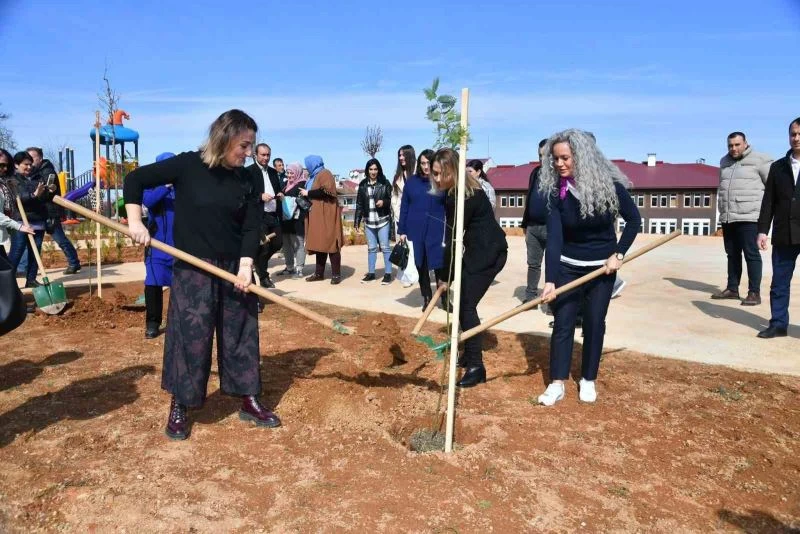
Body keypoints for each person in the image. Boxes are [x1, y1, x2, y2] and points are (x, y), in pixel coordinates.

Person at [124, 109, 281, 441]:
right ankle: (181, 403)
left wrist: (246, 265)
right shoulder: (188, 165)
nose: (248, 153)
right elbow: (134, 180)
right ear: (223, 138)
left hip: (235, 267)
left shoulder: (249, 177)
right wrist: (135, 222)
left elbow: (253, 223)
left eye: (251, 146)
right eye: (244, 145)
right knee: (189, 337)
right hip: (193, 268)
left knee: (241, 332)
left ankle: (248, 396)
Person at [537, 129, 641, 406]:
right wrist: (550, 280)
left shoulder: (609, 187)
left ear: (581, 157)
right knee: (563, 323)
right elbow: (555, 237)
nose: (559, 164)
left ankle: (587, 379)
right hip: (568, 267)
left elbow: (634, 221)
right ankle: (557, 382)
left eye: (565, 158)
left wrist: (618, 254)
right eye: (555, 159)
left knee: (595, 323)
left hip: (602, 269)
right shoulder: (555, 193)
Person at [432, 148, 508, 388]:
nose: (435, 179)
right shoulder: (458, 190)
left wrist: (445, 277)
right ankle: (469, 354)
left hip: (488, 253)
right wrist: (448, 275)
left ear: (451, 172)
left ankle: (476, 366)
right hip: (477, 251)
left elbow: (451, 238)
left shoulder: (462, 196)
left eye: (438, 174)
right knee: (463, 304)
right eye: (432, 173)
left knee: (466, 305)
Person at [713, 132, 772, 306]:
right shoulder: (724, 162)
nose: (734, 148)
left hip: (750, 216)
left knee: (751, 254)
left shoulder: (760, 160)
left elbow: (772, 187)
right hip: (729, 216)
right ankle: (732, 289)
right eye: (730, 145)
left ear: (746, 143)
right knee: (731, 254)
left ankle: (754, 292)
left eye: (737, 144)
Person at [755, 117, 800, 339]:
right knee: (779, 282)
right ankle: (778, 324)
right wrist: (763, 230)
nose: (796, 138)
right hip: (784, 233)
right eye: (793, 134)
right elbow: (768, 201)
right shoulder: (778, 167)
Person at [398, 148, 448, 310]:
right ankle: (427, 297)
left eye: (428, 163)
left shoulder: (441, 182)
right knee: (421, 265)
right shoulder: (412, 183)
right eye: (423, 163)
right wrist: (402, 231)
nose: (426, 166)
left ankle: (445, 298)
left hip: (437, 230)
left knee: (440, 265)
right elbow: (404, 207)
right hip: (416, 230)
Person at [27, 147, 81, 275]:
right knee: (35, 242)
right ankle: (28, 269)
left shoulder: (47, 172)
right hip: (40, 212)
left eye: (32, 158)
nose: (30, 161)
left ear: (40, 158)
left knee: (60, 239)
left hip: (49, 211)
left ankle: (74, 262)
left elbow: (45, 193)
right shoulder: (35, 172)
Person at [141, 152, 177, 339]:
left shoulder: (184, 187)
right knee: (153, 283)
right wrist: (165, 186)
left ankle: (177, 321)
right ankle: (152, 323)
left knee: (180, 285)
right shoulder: (150, 186)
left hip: (180, 247)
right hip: (156, 245)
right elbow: (148, 201)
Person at [7, 151, 50, 288]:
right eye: (26, 164)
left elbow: (43, 199)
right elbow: (18, 198)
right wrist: (34, 195)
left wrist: (42, 194)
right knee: (17, 251)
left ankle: (31, 279)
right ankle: (8, 282)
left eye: (31, 164)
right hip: (21, 221)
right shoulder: (12, 180)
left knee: (35, 252)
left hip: (38, 221)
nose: (29, 167)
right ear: (16, 165)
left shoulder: (37, 178)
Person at [301, 155, 344, 284]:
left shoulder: (325, 173)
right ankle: (319, 273)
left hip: (327, 215)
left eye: (308, 164)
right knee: (320, 244)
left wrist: (308, 193)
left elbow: (327, 191)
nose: (307, 167)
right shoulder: (313, 176)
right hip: (317, 215)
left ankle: (336, 275)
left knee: (331, 242)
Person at [247, 143, 283, 288]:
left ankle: (259, 263)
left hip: (273, 215)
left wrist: (280, 194)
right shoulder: (249, 172)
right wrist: (259, 196)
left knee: (278, 243)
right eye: (263, 155)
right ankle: (264, 276)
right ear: (256, 155)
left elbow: (278, 189)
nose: (266, 158)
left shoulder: (274, 173)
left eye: (268, 155)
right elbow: (245, 194)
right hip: (258, 215)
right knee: (264, 247)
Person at [354, 158, 393, 285]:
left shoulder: (385, 183)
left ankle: (388, 274)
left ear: (379, 170)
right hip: (369, 221)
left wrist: (384, 202)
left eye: (375, 169)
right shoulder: (363, 185)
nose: (373, 172)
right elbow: (359, 204)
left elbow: (391, 198)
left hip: (382, 220)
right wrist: (357, 222)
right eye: (371, 169)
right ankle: (371, 274)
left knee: (385, 247)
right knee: (371, 248)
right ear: (367, 170)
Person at [521, 139, 550, 305]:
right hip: (533, 227)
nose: (542, 159)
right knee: (533, 264)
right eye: (540, 156)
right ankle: (530, 297)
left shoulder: (559, 175)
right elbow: (530, 198)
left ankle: (553, 301)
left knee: (554, 265)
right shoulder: (535, 173)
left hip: (551, 228)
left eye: (545, 155)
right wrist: (525, 224)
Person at [0, 149, 34, 261]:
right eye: (2, 165)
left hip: (2, 238)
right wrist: (19, 226)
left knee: (6, 274)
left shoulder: (3, 184)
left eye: (7, 166)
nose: (5, 169)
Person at [277, 162, 307, 278]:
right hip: (285, 220)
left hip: (296, 221)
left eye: (292, 173)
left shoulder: (301, 185)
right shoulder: (286, 185)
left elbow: (303, 202)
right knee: (286, 245)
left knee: (298, 245)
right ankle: (289, 267)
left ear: (298, 173)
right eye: (288, 172)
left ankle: (299, 269)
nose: (289, 175)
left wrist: (286, 199)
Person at [391, 145, 416, 233]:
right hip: (402, 219)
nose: (401, 158)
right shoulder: (398, 176)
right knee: (404, 246)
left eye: (403, 155)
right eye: (399, 155)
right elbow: (394, 199)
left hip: (418, 219)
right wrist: (398, 216)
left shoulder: (419, 174)